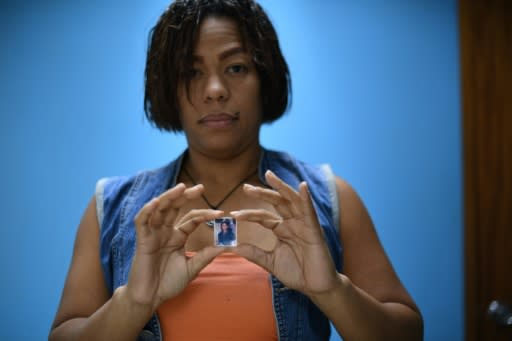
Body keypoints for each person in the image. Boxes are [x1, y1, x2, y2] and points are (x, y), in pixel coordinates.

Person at [49, 0, 423, 340]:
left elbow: (407, 333)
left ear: (266, 79)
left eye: (236, 67)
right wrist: (132, 302)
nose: (215, 90)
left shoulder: (330, 197)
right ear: (167, 89)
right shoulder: (110, 207)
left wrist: (332, 290)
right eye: (192, 72)